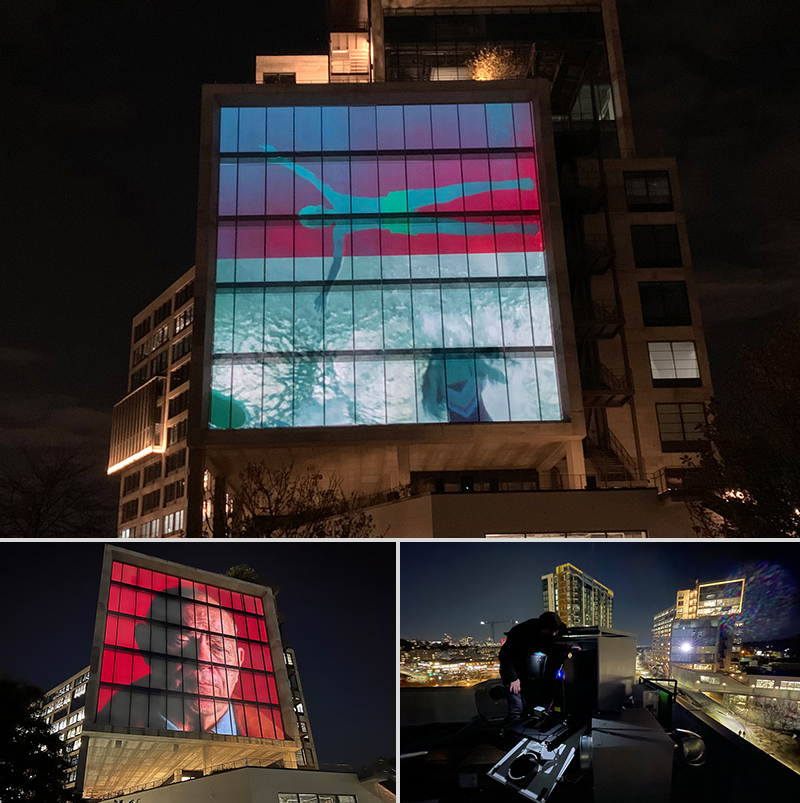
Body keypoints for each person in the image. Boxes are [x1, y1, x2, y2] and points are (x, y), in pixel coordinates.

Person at [98, 587, 245, 734]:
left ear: (238, 663)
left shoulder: (266, 730)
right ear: (146, 644)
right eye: (181, 640)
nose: (203, 660)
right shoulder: (107, 728)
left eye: (219, 648)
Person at [498, 611, 565, 724]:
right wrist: (513, 679)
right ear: (543, 628)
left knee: (530, 704)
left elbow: (559, 632)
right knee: (517, 707)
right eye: (552, 631)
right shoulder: (521, 633)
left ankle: (526, 728)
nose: (554, 634)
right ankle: (512, 736)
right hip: (512, 671)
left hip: (525, 668)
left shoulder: (551, 627)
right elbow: (504, 656)